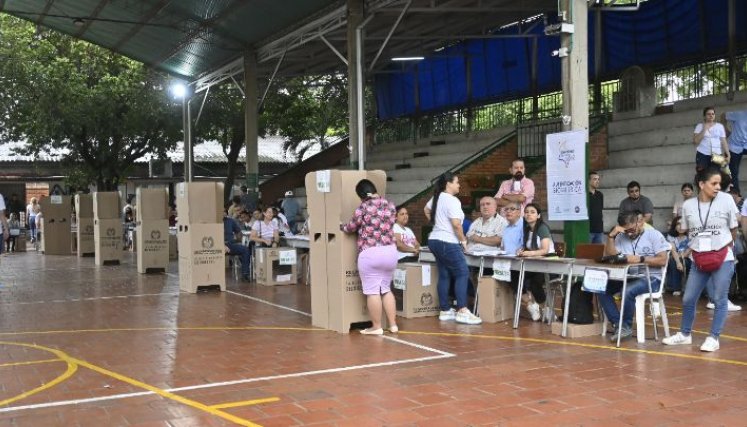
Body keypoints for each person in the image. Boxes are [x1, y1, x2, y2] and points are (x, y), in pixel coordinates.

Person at [664, 168, 739, 352]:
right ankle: (684, 334)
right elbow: (689, 231)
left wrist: (726, 246)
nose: (717, 187)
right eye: (713, 183)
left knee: (719, 298)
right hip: (699, 257)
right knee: (689, 297)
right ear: (701, 184)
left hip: (723, 257)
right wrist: (689, 248)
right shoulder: (689, 205)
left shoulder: (726, 200)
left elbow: (733, 228)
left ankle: (714, 337)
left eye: (719, 183)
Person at [341, 179, 399, 335]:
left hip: (371, 253)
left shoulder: (363, 207)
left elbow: (350, 227)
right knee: (386, 289)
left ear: (361, 195)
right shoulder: (390, 205)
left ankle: (376, 326)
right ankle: (393, 325)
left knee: (373, 291)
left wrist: (341, 226)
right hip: (390, 252)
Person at [601, 211, 670, 340]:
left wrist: (641, 259)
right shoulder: (621, 236)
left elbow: (663, 260)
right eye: (626, 231)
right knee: (601, 287)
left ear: (640, 222)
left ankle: (625, 326)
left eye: (632, 229)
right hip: (628, 276)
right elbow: (610, 256)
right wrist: (611, 236)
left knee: (627, 290)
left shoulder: (654, 235)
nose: (630, 233)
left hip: (651, 278)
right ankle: (619, 325)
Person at [424, 172, 482, 325]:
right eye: (457, 182)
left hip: (434, 240)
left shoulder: (437, 197)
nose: (459, 185)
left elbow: (426, 210)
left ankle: (445, 310)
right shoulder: (452, 200)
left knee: (444, 274)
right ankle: (462, 310)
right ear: (448, 183)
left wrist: (436, 223)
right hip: (447, 241)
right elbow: (457, 225)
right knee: (462, 272)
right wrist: (463, 242)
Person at [512, 203, 556, 321]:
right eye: (526, 212)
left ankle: (546, 309)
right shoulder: (526, 229)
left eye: (532, 212)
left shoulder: (542, 228)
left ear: (538, 215)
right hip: (535, 264)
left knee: (534, 282)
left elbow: (545, 250)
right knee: (514, 275)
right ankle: (531, 305)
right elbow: (529, 248)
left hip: (550, 264)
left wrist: (529, 253)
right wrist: (522, 251)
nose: (529, 214)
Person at [693, 106, 729, 174]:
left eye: (713, 114)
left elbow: (723, 141)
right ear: (704, 116)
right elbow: (695, 141)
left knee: (715, 175)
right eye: (708, 114)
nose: (711, 115)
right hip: (703, 154)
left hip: (717, 154)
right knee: (703, 175)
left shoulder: (720, 126)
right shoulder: (699, 126)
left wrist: (728, 153)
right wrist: (704, 129)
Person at [224, 206, 251, 281]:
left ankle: (245, 274)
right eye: (221, 211)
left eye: (224, 211)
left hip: (230, 244)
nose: (223, 213)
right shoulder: (215, 222)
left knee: (245, 249)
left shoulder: (230, 221)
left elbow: (238, 232)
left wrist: (238, 239)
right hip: (218, 246)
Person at [723, 110, 747, 195]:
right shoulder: (740, 114)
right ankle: (736, 194)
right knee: (734, 172)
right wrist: (725, 130)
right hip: (734, 146)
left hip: (745, 146)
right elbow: (723, 115)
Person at [588, 171, 605, 243]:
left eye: (598, 179)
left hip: (599, 230)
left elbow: (600, 209)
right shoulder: (584, 195)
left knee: (598, 253)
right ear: (588, 181)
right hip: (588, 231)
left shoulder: (600, 194)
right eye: (595, 179)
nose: (597, 181)